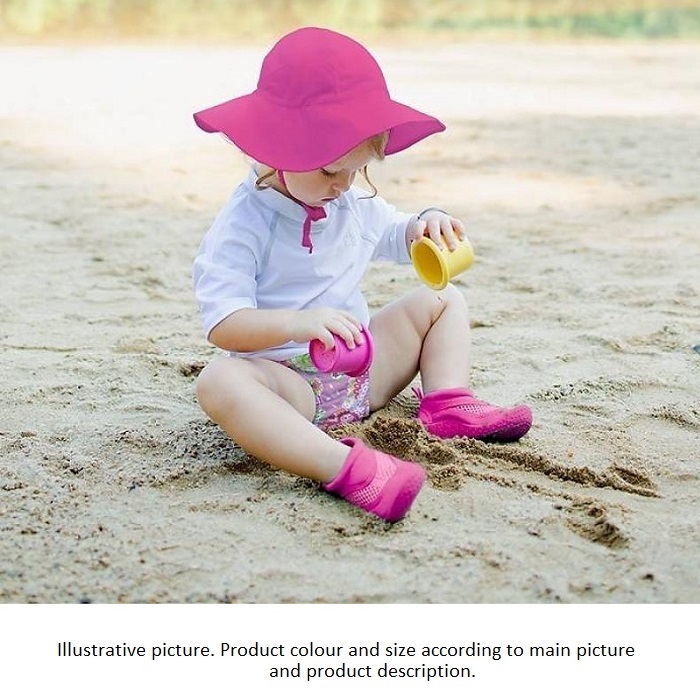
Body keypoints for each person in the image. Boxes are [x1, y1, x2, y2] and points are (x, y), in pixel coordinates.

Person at [192, 27, 532, 523]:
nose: (344, 184)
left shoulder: (347, 200)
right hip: (290, 388)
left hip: (363, 373)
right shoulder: (245, 224)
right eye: (332, 169)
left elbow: (396, 233)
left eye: (358, 169)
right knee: (219, 382)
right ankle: (349, 469)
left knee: (443, 301)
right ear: (280, 147)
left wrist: (426, 224)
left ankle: (447, 403)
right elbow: (224, 323)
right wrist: (296, 324)